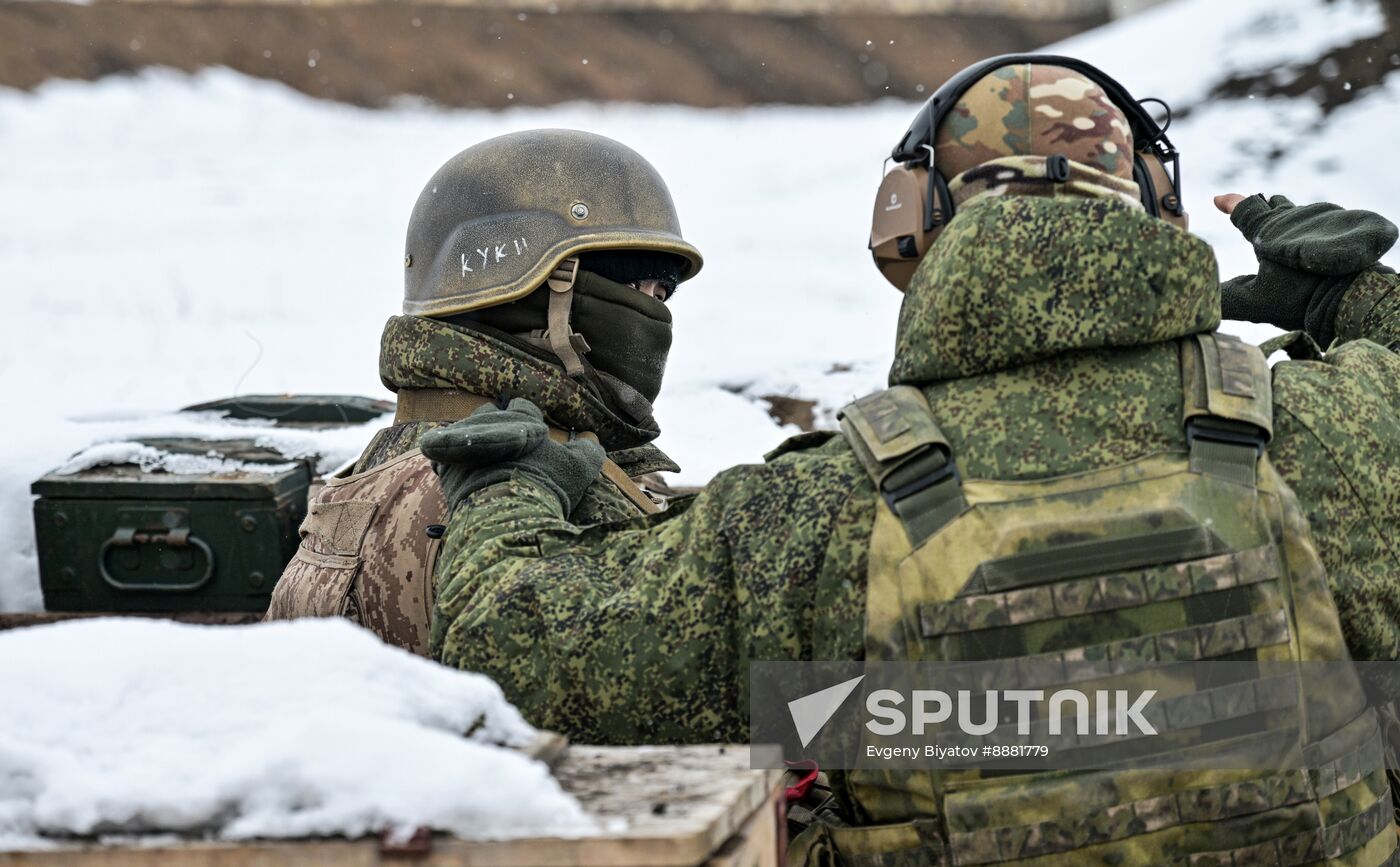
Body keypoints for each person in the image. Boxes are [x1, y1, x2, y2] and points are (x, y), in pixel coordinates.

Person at [423, 57, 1400, 864]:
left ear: (913, 230)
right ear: (1152, 207)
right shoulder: (1338, 427)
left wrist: (505, 499)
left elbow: (517, 662)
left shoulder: (814, 513)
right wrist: (1354, 305)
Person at [263, 129, 702, 656]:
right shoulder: (537, 484)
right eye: (632, 291)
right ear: (532, 292)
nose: (652, 316)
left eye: (661, 294)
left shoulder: (381, 465)